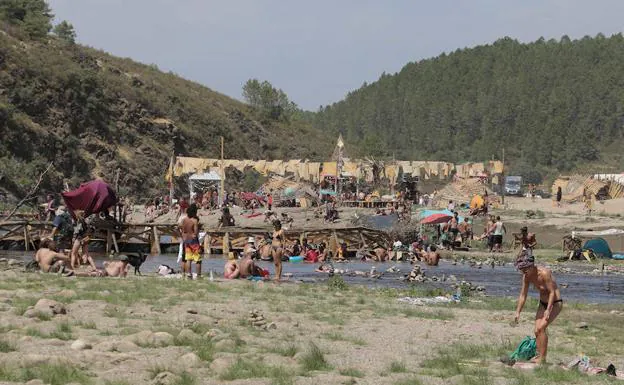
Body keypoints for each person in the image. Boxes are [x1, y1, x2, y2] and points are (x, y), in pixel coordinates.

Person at [513, 250, 562, 364]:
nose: (523, 273)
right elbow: (523, 295)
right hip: (542, 303)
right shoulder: (527, 277)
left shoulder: (545, 273)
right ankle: (539, 355)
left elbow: (552, 293)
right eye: (521, 270)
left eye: (525, 270)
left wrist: (548, 310)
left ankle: (542, 358)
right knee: (536, 330)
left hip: (555, 303)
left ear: (531, 266)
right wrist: (518, 312)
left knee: (541, 328)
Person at [181, 204, 202, 279]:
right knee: (198, 259)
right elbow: (195, 232)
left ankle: (189, 275)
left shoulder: (184, 220)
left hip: (187, 240)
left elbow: (183, 231)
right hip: (193, 241)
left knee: (188, 259)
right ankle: (198, 275)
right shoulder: (194, 220)